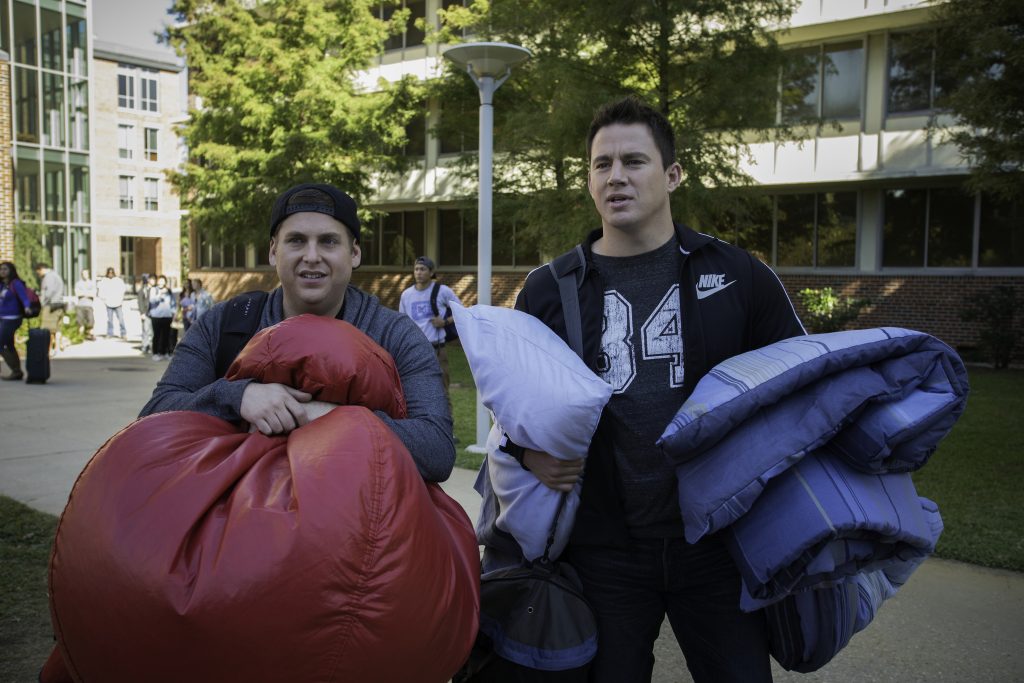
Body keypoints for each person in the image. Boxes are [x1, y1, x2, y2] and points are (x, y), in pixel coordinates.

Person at [487, 97, 806, 682]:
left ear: (673, 175)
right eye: (601, 164)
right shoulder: (547, 290)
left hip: (716, 543)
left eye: (633, 160)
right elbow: (509, 407)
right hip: (605, 548)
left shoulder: (739, 275)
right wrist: (528, 454)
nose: (615, 176)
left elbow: (800, 388)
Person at [140, 182, 454, 482]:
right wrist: (237, 396)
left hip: (355, 532)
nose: (312, 256)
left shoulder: (395, 335)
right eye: (296, 240)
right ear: (273, 251)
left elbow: (436, 450)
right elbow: (153, 418)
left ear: (354, 253)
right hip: (239, 529)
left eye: (329, 241)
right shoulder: (225, 324)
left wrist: (327, 418)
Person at [398, 256, 461, 404]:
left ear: (431, 272)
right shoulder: (406, 295)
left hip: (437, 349)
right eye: (416, 269)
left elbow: (461, 311)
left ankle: (446, 424)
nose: (419, 272)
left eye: (423, 269)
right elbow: (402, 322)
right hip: (414, 351)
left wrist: (444, 322)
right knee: (414, 391)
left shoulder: (442, 291)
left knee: (442, 391)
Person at [0, 261, 33, 380]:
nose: (3, 271)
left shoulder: (16, 283)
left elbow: (24, 297)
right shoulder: (2, 285)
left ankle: (15, 369)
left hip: (12, 318)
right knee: (9, 344)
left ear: (11, 271)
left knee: (1, 344)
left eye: (5, 269)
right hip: (2, 318)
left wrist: (27, 307)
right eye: (1, 269)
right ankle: (17, 372)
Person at [34, 262, 65, 356]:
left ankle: (49, 350)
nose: (39, 275)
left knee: (48, 330)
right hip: (58, 304)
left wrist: (41, 302)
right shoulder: (56, 275)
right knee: (56, 329)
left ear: (41, 269)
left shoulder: (49, 277)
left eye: (38, 272)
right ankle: (57, 347)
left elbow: (48, 292)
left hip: (50, 306)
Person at [147, 275, 176, 361]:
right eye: (160, 280)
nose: (161, 282)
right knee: (156, 335)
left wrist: (173, 313)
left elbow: (173, 303)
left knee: (166, 335)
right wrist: (159, 294)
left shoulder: (169, 291)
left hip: (167, 316)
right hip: (156, 316)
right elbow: (151, 301)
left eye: (163, 281)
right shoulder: (154, 289)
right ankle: (156, 353)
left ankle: (165, 352)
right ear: (158, 281)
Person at [97, 267, 127, 339]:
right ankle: (110, 333)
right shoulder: (104, 281)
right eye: (109, 273)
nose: (110, 274)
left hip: (118, 303)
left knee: (121, 319)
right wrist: (104, 299)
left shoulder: (118, 281)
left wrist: (121, 299)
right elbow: (100, 291)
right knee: (109, 320)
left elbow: (123, 290)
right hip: (108, 303)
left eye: (112, 272)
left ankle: (123, 333)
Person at [73, 269, 96, 340]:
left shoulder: (92, 283)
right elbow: (77, 293)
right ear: (81, 275)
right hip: (80, 305)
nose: (85, 275)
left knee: (90, 320)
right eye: (83, 274)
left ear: (88, 274)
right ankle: (80, 336)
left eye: (86, 274)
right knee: (80, 320)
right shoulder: (78, 283)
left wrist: (83, 293)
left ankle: (90, 334)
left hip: (89, 305)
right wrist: (87, 293)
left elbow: (93, 294)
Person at [138, 274, 154, 354]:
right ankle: (145, 346)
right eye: (152, 279)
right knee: (145, 330)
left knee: (152, 331)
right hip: (146, 313)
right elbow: (140, 302)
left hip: (154, 313)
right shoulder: (143, 290)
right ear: (148, 280)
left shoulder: (155, 289)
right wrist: (142, 313)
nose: (153, 281)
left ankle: (151, 346)